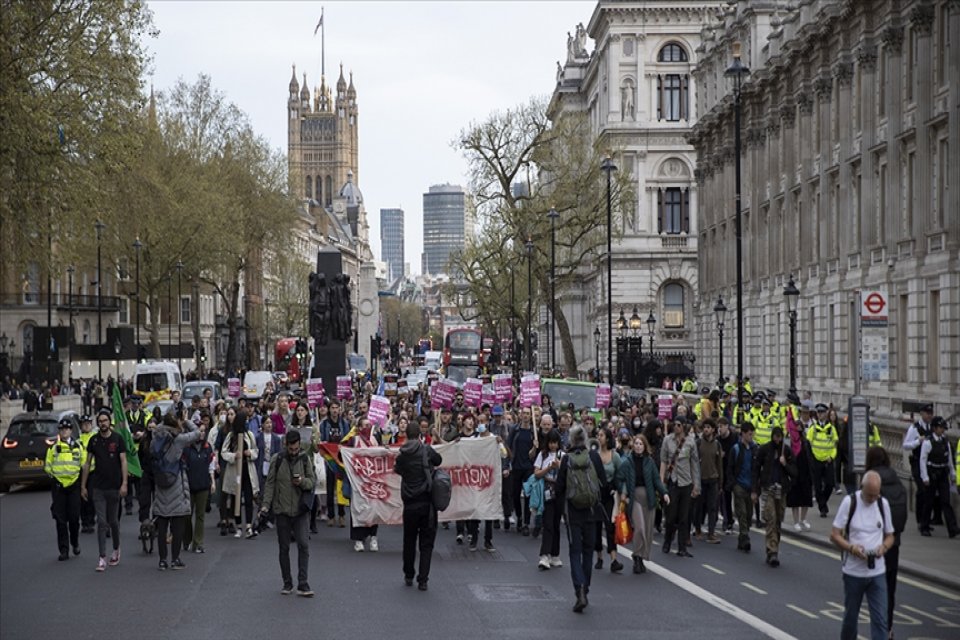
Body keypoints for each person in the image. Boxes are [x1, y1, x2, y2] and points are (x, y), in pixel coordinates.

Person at [830, 471, 895, 640]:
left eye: (876, 495)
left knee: (881, 620)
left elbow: (890, 535)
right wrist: (851, 548)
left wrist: (884, 547)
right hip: (854, 572)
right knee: (851, 619)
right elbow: (834, 535)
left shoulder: (883, 504)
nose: (873, 499)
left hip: (877, 572)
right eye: (869, 495)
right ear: (862, 488)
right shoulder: (849, 502)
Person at [555, 425, 607, 613]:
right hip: (592, 512)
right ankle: (586, 586)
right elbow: (603, 482)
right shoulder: (593, 457)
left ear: (570, 440)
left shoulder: (566, 459)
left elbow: (559, 488)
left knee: (574, 551)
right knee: (588, 551)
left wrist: (562, 512)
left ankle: (579, 590)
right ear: (585, 440)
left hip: (573, 512)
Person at [260, 430, 316, 597]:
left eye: (296, 449)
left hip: (300, 510)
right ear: (286, 445)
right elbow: (270, 484)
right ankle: (287, 582)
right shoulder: (277, 460)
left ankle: (303, 583)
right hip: (282, 510)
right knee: (284, 547)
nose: (294, 452)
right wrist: (265, 506)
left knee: (303, 545)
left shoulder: (305, 459)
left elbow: (312, 482)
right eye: (291, 449)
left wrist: (302, 482)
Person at [151, 412, 204, 570]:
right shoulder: (179, 440)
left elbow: (160, 428)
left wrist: (166, 422)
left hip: (160, 482)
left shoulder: (157, 437)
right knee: (178, 524)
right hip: (175, 482)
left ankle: (162, 560)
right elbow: (196, 433)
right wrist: (186, 420)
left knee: (162, 525)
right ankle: (175, 559)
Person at [394, 420, 443, 590]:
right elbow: (439, 460)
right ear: (420, 435)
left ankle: (409, 573)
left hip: (409, 502)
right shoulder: (427, 450)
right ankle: (423, 579)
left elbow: (397, 470)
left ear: (406, 435)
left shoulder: (402, 454)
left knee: (409, 540)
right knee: (426, 543)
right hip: (427, 502)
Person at [865, 446, 907, 638]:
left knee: (873, 590)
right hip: (894, 544)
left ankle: (880, 630)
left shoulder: (871, 482)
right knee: (889, 590)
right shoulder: (897, 481)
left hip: (875, 545)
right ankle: (888, 628)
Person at [80, 409, 128, 572]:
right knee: (101, 522)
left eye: (105, 420)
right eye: (100, 421)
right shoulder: (93, 441)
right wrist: (83, 485)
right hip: (98, 488)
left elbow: (123, 462)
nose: (103, 424)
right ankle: (102, 557)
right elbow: (87, 464)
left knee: (113, 521)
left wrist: (124, 484)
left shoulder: (118, 439)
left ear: (109, 422)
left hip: (114, 487)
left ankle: (116, 548)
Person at [615, 434, 669, 574]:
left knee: (648, 531)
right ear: (633, 445)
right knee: (639, 528)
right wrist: (624, 492)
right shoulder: (627, 462)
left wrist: (664, 493)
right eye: (636, 443)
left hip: (649, 499)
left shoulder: (649, 462)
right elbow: (619, 479)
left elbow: (656, 480)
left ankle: (640, 557)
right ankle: (636, 556)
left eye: (641, 444)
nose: (638, 446)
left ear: (644, 446)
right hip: (634, 499)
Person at [752, 426, 795, 567]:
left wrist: (785, 464)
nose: (777, 439)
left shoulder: (786, 451)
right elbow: (756, 469)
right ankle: (772, 551)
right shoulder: (764, 450)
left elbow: (795, 472)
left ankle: (774, 546)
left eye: (779, 437)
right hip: (768, 488)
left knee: (778, 521)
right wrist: (755, 489)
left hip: (781, 490)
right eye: (775, 436)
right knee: (771, 518)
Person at [44, 417, 86, 561]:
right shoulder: (53, 448)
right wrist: (52, 474)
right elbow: (47, 465)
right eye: (62, 429)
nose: (64, 432)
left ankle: (74, 542)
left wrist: (83, 483)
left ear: (71, 430)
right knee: (60, 520)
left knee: (74, 518)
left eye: (67, 429)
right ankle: (64, 550)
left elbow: (84, 464)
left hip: (74, 486)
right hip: (59, 487)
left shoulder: (78, 446)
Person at [659, 420, 700, 557]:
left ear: (684, 427)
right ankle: (667, 541)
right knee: (670, 516)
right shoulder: (667, 440)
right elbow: (663, 461)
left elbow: (694, 464)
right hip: (673, 481)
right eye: (674, 424)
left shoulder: (690, 442)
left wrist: (696, 485)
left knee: (684, 516)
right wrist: (661, 480)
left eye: (679, 425)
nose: (676, 427)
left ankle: (682, 547)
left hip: (686, 482)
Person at [221, 413, 260, 539]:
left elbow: (256, 451)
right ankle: (237, 525)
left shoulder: (249, 435)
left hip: (247, 469)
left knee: (248, 498)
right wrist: (233, 456)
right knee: (235, 499)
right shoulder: (231, 436)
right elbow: (223, 452)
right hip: (235, 471)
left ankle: (248, 525)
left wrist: (250, 453)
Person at [918, 416, 958, 538]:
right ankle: (924, 526)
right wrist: (925, 477)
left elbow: (949, 459)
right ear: (934, 428)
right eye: (940, 428)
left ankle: (952, 528)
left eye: (943, 428)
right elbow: (923, 460)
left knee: (945, 501)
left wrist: (953, 473)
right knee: (929, 501)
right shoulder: (928, 442)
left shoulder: (945, 442)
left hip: (942, 472)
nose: (942, 430)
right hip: (932, 472)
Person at [344, 417, 380, 552]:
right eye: (365, 425)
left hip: (373, 482)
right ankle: (358, 540)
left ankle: (373, 537)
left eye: (369, 425)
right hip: (358, 483)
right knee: (358, 509)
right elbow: (345, 456)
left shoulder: (375, 440)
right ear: (359, 428)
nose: (368, 428)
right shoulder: (354, 441)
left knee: (374, 509)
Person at [183, 411, 216, 554]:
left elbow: (211, 466)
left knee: (200, 516)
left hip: (203, 485)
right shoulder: (186, 448)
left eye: (203, 431)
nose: (201, 434)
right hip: (189, 486)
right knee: (187, 515)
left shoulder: (208, 448)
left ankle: (198, 542)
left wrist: (213, 482)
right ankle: (188, 539)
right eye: (199, 431)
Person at [592, 427, 622, 571]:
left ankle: (614, 559)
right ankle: (599, 556)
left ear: (608, 438)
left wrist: (619, 491)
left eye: (602, 435)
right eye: (598, 435)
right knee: (596, 526)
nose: (599, 437)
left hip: (609, 494)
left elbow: (620, 474)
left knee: (610, 526)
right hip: (596, 495)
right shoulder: (594, 455)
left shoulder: (614, 456)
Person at [534, 430, 563, 570]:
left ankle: (555, 554)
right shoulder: (542, 455)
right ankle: (544, 554)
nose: (553, 445)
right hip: (546, 491)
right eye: (551, 443)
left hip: (559, 493)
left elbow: (568, 475)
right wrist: (548, 468)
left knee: (556, 524)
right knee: (548, 523)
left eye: (555, 443)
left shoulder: (563, 456)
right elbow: (536, 473)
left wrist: (559, 467)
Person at [726, 422, 758, 552]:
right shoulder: (736, 449)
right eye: (749, 434)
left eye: (752, 434)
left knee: (749, 514)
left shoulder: (755, 448)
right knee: (742, 513)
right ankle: (745, 538)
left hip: (750, 486)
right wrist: (733, 484)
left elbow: (757, 469)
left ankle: (742, 537)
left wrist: (756, 488)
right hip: (739, 485)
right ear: (743, 434)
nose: (751, 436)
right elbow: (730, 468)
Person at [319, 399, 350, 527]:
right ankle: (331, 515)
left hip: (341, 459)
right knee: (330, 488)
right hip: (329, 459)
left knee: (341, 487)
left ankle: (342, 514)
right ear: (329, 409)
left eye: (337, 408)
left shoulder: (344, 423)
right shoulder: (324, 424)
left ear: (339, 409)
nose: (335, 410)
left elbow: (348, 439)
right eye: (332, 408)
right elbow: (322, 439)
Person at [807, 403, 839, 517]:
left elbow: (835, 446)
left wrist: (832, 457)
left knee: (830, 484)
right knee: (817, 486)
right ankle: (823, 508)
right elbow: (808, 444)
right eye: (818, 413)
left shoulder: (831, 429)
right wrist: (811, 458)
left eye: (822, 412)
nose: (820, 415)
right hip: (816, 460)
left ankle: (823, 502)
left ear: (826, 414)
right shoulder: (813, 428)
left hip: (828, 460)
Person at [696, 418, 723, 544]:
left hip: (713, 479)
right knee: (699, 506)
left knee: (713, 507)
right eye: (704, 427)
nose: (706, 429)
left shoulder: (717, 445)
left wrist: (720, 483)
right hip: (701, 479)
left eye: (708, 427)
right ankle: (698, 529)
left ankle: (711, 533)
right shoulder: (698, 443)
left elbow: (719, 465)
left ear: (713, 430)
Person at [77, 415, 97, 533]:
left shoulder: (95, 438)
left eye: (88, 423)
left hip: (93, 471)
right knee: (82, 498)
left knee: (92, 498)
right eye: (84, 423)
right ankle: (84, 522)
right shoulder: (77, 440)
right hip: (80, 471)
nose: (86, 425)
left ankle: (91, 521)